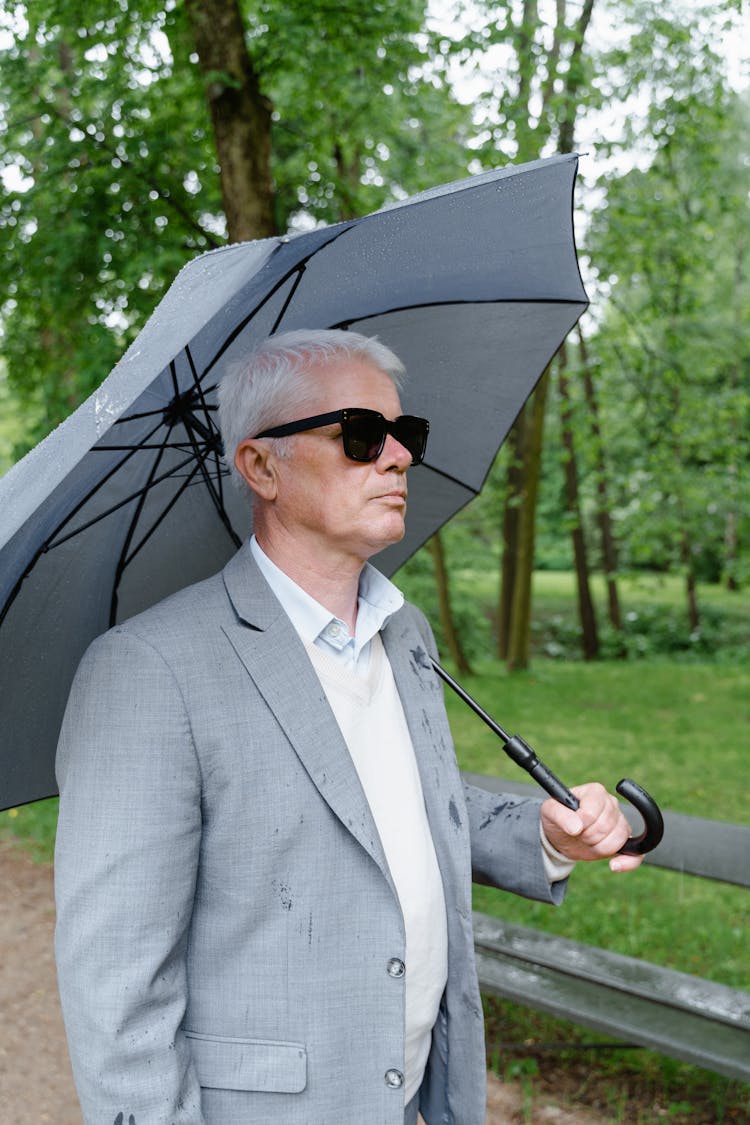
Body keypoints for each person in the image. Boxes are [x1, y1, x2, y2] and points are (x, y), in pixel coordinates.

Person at [54, 328, 642, 1125]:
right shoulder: (148, 671)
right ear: (262, 465)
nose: (398, 457)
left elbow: (398, 808)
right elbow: (116, 988)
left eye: (407, 434)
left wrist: (542, 836)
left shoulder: (407, 635)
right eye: (362, 435)